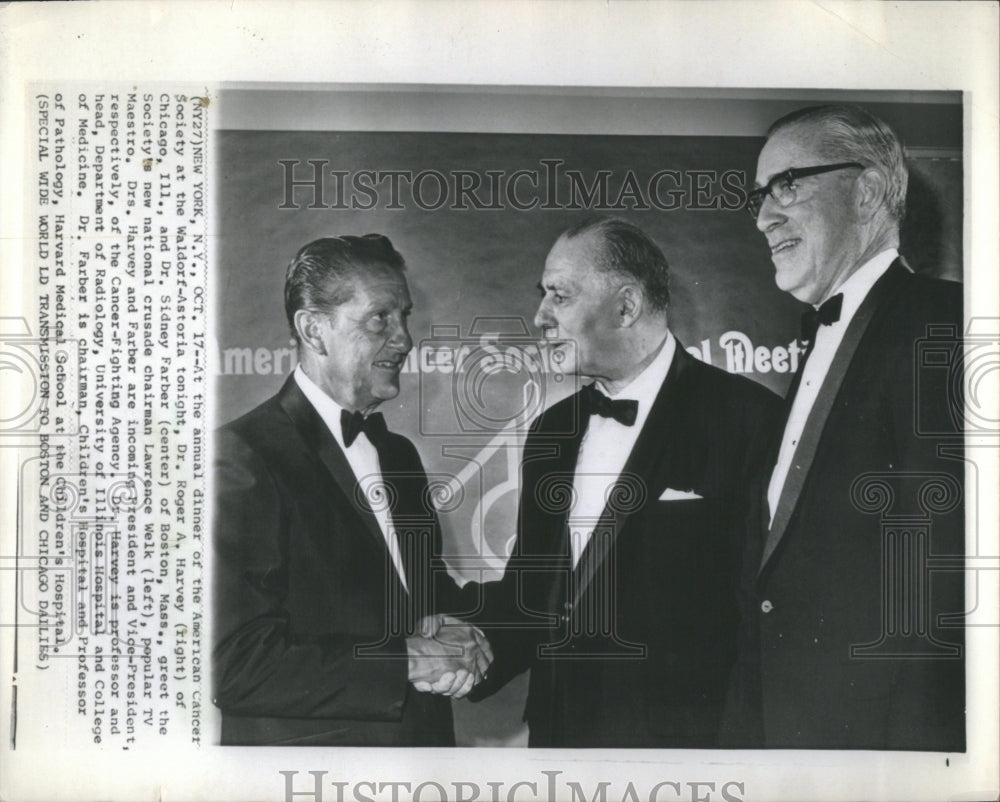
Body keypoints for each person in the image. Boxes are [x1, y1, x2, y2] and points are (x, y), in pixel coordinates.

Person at [468, 218, 780, 747]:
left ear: (626, 305)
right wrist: (470, 651)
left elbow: (763, 623)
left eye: (558, 296)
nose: (539, 317)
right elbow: (532, 594)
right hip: (561, 747)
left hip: (687, 756)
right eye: (542, 296)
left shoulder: (750, 420)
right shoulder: (550, 432)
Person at [722, 105, 965, 750]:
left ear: (869, 191)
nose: (764, 216)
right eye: (758, 197)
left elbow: (940, 578)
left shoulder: (943, 323)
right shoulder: (821, 345)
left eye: (788, 185)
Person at [212, 234, 491, 746]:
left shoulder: (400, 458)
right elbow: (236, 665)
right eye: (380, 318)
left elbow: (425, 599)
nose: (404, 339)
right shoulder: (241, 456)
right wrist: (408, 660)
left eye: (404, 316)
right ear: (314, 330)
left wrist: (472, 634)